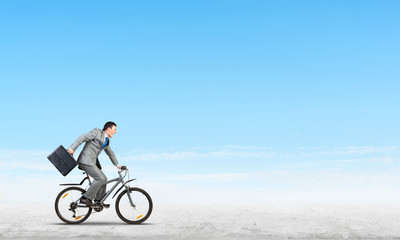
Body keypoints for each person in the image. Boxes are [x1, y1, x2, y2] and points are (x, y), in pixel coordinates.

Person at [67, 121, 122, 207]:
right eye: (114, 129)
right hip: (86, 160)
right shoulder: (97, 132)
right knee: (101, 178)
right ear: (108, 129)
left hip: (92, 161)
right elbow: (82, 137)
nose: (116, 131)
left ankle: (98, 201)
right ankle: (85, 198)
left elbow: (110, 153)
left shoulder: (107, 141)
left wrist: (117, 165)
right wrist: (72, 148)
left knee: (104, 179)